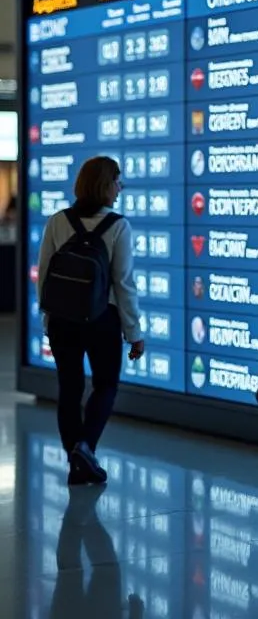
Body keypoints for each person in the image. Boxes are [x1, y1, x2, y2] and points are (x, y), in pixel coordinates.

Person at [36, 156, 145, 485]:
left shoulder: (57, 221)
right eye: (117, 181)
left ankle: (76, 460)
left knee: (69, 389)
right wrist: (134, 333)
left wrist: (47, 319)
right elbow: (123, 285)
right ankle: (86, 448)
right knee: (106, 384)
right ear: (105, 185)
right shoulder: (118, 226)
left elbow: (44, 274)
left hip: (62, 320)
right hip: (102, 320)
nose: (120, 187)